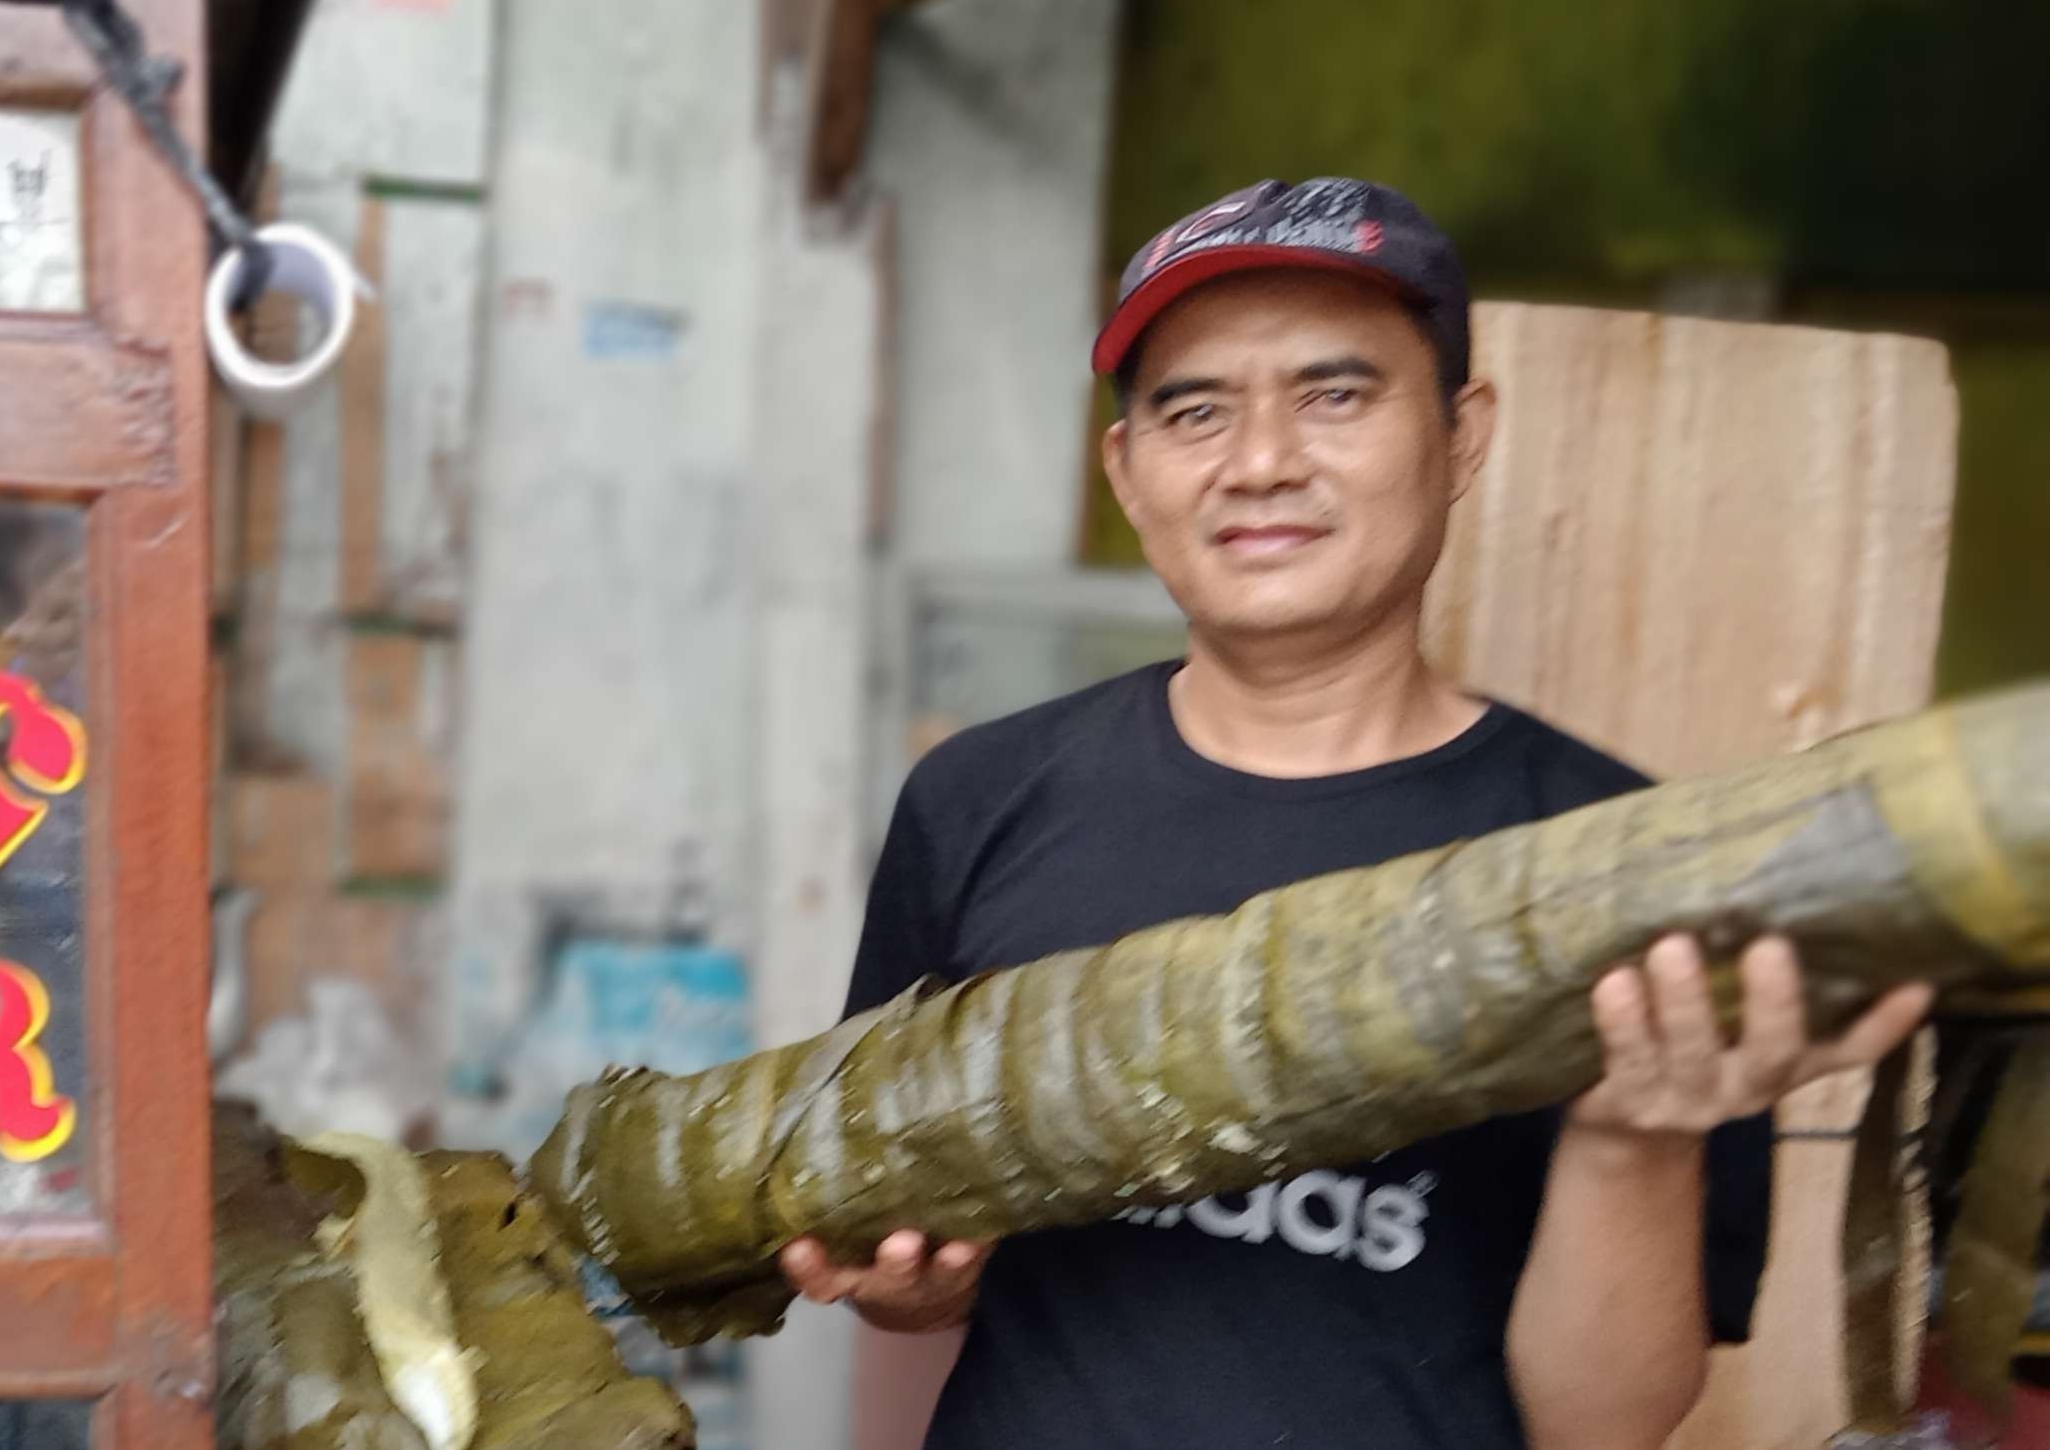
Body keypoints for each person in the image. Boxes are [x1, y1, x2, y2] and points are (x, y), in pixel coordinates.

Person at [783, 177, 1934, 1450]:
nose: (1261, 461)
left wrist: (1634, 1135)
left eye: (1335, 394)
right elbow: (898, 1274)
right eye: (1195, 409)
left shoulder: (1626, 866)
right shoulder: (978, 797)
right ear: (1127, 467)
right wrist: (914, 1287)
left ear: (1461, 430)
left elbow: (1599, 1427)